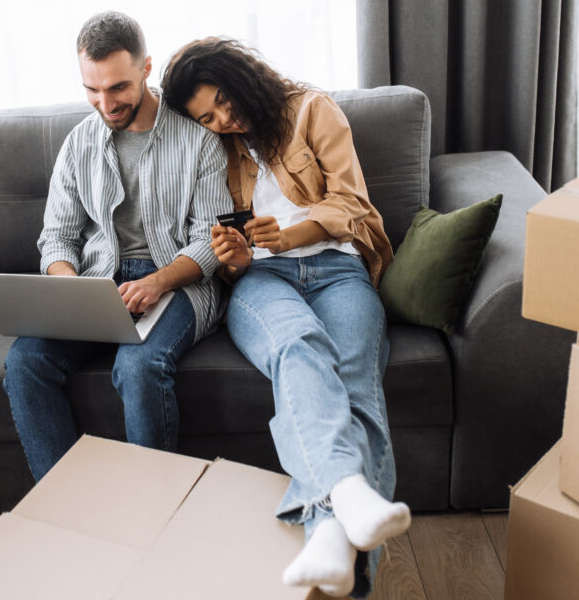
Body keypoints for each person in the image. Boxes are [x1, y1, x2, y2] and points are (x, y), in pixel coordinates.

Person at [161, 37, 410, 598]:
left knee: (355, 381)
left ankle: (328, 535)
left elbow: (353, 204)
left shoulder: (311, 110)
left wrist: (291, 234)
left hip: (338, 268)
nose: (225, 118)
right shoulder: (213, 148)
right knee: (297, 345)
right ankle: (348, 497)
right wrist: (238, 258)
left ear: (242, 75)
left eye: (225, 99)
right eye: (208, 116)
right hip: (261, 281)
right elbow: (228, 250)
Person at [2, 13, 231, 481]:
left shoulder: (198, 139)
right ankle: (68, 504)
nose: (104, 103)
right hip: (97, 282)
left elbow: (210, 240)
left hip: (178, 281)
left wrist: (157, 282)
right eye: (92, 89)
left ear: (147, 68)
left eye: (118, 87)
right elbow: (57, 237)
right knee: (24, 362)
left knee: (140, 365)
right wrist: (69, 289)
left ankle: (153, 511)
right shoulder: (78, 143)